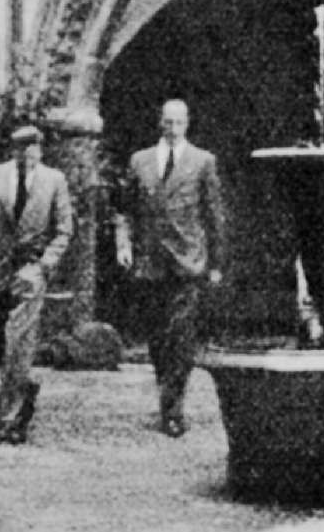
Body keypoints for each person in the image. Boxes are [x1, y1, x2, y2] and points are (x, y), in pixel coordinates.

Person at [115, 99, 225, 437]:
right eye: (168, 122)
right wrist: (123, 244)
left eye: (179, 122)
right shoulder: (140, 161)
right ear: (160, 123)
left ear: (187, 124)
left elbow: (214, 215)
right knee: (158, 338)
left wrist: (216, 263)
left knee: (181, 335)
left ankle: (173, 409)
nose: (173, 128)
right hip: (150, 261)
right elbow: (124, 209)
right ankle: (167, 386)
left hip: (188, 261)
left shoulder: (203, 162)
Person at [0, 125, 73, 444]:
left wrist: (45, 264)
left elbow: (64, 230)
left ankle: (9, 420)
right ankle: (23, 388)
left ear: (41, 150)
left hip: (31, 269)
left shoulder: (54, 181)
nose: (29, 154)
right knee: (2, 344)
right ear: (13, 151)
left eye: (34, 148)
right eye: (22, 149)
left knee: (19, 338)